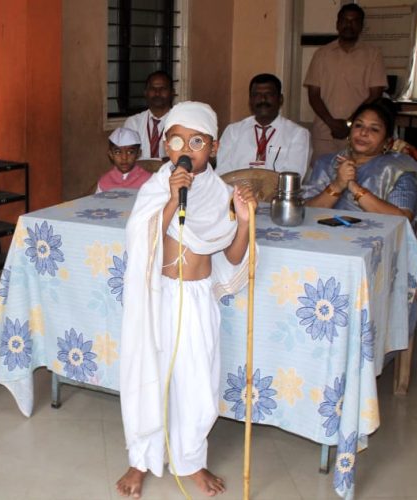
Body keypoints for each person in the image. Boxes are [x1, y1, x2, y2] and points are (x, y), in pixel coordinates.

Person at [117, 101, 256, 498]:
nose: (186, 150)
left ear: (213, 147)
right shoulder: (157, 186)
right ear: (166, 146)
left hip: (197, 298)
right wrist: (170, 199)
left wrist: (244, 221)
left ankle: (191, 460)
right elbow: (140, 238)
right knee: (149, 373)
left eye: (197, 142)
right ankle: (141, 458)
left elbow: (234, 258)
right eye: (177, 141)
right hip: (158, 296)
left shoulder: (222, 193)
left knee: (197, 381)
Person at [304, 101, 417, 222]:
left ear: (387, 141)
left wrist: (354, 187)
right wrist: (337, 185)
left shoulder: (397, 169)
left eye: (374, 129)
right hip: (324, 235)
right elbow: (305, 211)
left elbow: (402, 219)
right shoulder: (327, 163)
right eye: (358, 125)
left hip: (378, 238)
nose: (363, 133)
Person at [304, 4, 388, 159]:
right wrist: (332, 123)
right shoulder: (321, 54)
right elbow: (313, 95)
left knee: (356, 172)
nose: (349, 25)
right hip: (324, 133)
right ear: (337, 24)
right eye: (345, 20)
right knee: (322, 172)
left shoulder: (373, 54)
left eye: (354, 21)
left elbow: (375, 94)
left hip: (359, 133)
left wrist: (350, 123)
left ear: (361, 26)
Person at [215, 73, 311, 178]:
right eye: (257, 95)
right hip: (236, 187)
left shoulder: (297, 134)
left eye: (269, 94)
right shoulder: (233, 131)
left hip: (277, 189)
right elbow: (222, 171)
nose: (263, 99)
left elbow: (291, 177)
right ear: (250, 100)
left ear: (280, 99)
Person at [124, 71, 176, 161]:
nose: (157, 93)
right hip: (139, 170)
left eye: (163, 89)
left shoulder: (180, 122)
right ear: (145, 92)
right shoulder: (133, 123)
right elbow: (127, 158)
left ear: (172, 92)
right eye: (152, 89)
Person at [97, 127, 152, 192]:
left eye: (130, 152)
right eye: (118, 152)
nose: (124, 157)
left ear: (138, 153)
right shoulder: (104, 182)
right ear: (111, 154)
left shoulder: (148, 180)